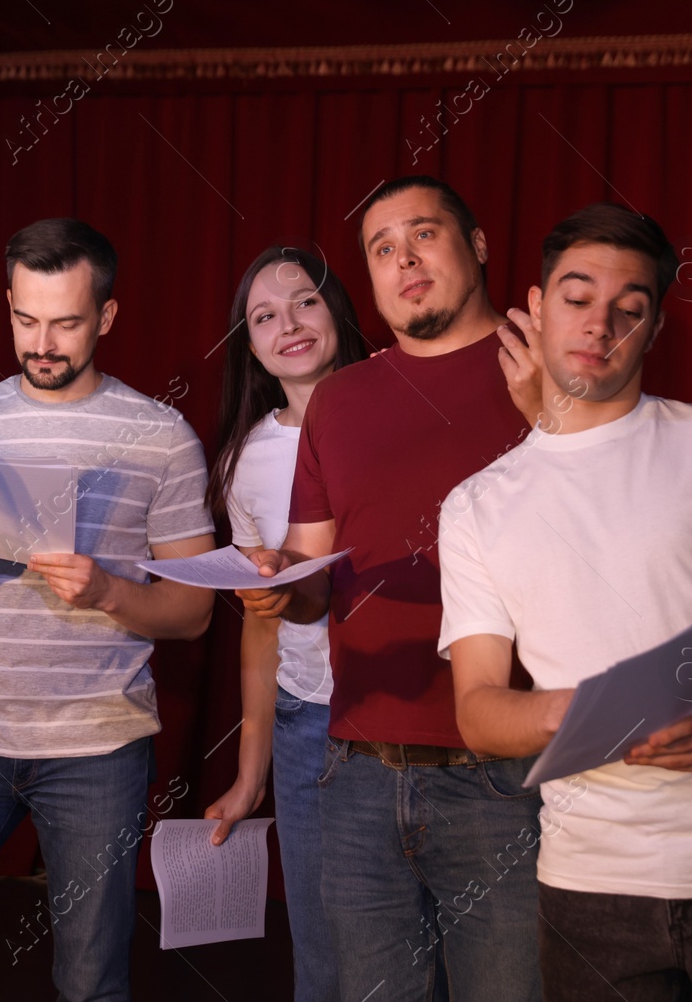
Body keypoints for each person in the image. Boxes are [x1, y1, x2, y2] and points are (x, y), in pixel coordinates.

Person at [436, 201, 692, 1000]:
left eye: (630, 310)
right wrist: (593, 710)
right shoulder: (476, 505)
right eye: (578, 297)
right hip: (590, 882)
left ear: (655, 330)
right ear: (534, 306)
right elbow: (480, 710)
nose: (601, 324)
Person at [0, 217, 216, 1002]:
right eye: (26, 319)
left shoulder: (160, 436)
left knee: (92, 982)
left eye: (65, 322)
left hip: (98, 744)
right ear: (8, 303)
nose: (43, 342)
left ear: (108, 316)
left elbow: (194, 611)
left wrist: (106, 592)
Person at [239, 176, 544, 1002]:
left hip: (505, 774)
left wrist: (555, 411)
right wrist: (275, 587)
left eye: (424, 235)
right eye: (382, 248)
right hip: (359, 772)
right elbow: (313, 575)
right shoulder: (341, 400)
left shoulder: (542, 368)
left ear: (477, 246)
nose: (404, 259)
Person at [201, 245, 367, 1002]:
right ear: (251, 346)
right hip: (309, 725)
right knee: (323, 952)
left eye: (303, 301)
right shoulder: (245, 459)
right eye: (263, 316)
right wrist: (249, 774)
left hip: (421, 722)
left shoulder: (400, 407)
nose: (288, 324)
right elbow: (259, 628)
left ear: (338, 309)